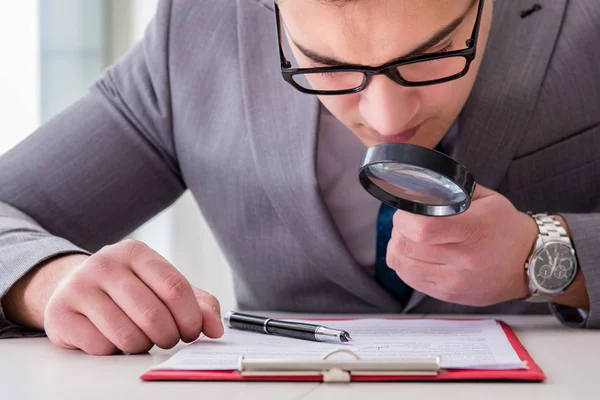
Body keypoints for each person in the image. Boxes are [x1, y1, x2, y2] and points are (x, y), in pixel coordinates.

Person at [0, 0, 598, 356]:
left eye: (433, 54)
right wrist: (47, 281)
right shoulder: (199, 31)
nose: (387, 118)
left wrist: (553, 256)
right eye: (326, 65)